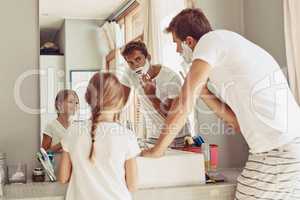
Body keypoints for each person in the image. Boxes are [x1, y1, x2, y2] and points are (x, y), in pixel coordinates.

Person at [142, 8, 300, 199]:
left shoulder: (210, 41)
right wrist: (205, 92)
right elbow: (236, 123)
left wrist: (157, 150)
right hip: (283, 146)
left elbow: (183, 105)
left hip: (278, 148)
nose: (177, 50)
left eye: (177, 43)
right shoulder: (225, 50)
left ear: (189, 41)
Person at [59, 73, 141, 200]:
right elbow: (132, 185)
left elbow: (63, 177)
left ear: (87, 98)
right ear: (120, 101)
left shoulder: (72, 131)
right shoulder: (127, 136)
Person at [120, 41, 194, 147]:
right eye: (130, 62)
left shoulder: (170, 78)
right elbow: (119, 102)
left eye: (138, 59)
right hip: (153, 137)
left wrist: (151, 95)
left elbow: (171, 115)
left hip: (178, 137)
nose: (135, 65)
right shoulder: (130, 73)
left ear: (148, 58)